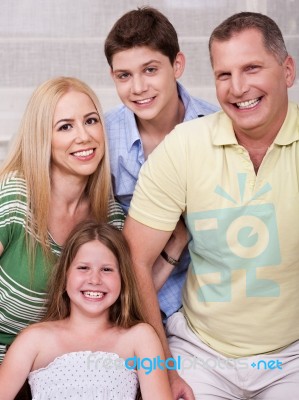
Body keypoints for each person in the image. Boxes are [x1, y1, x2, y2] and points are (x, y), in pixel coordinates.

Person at [123, 11, 299, 400]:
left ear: (287, 71)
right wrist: (165, 368)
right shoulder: (184, 146)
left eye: (252, 68)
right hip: (201, 353)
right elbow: (134, 257)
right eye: (224, 75)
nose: (238, 88)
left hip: (291, 357)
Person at [0, 77, 124, 398]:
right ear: (44, 138)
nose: (84, 136)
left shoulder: (108, 216)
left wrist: (175, 246)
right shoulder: (16, 199)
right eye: (65, 127)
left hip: (51, 371)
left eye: (91, 120)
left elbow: (134, 287)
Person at [104, 6, 219, 320]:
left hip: (209, 299)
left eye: (150, 70)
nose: (138, 87)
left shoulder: (217, 127)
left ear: (177, 64)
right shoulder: (101, 136)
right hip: (137, 299)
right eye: (124, 76)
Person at [0, 221, 173, 400]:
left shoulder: (140, 338)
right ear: (65, 274)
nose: (95, 279)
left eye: (107, 269)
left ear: (122, 277)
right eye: (83, 268)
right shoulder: (34, 339)